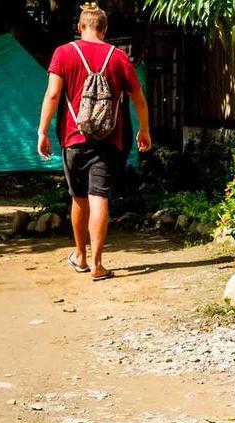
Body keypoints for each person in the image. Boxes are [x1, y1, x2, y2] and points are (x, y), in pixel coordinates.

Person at [37, 2, 151, 281]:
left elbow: (53, 96)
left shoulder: (64, 53)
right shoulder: (118, 57)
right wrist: (144, 130)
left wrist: (42, 131)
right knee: (99, 196)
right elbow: (139, 99)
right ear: (105, 29)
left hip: (73, 138)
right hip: (110, 140)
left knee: (78, 198)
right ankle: (99, 265)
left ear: (79, 27)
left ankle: (80, 256)